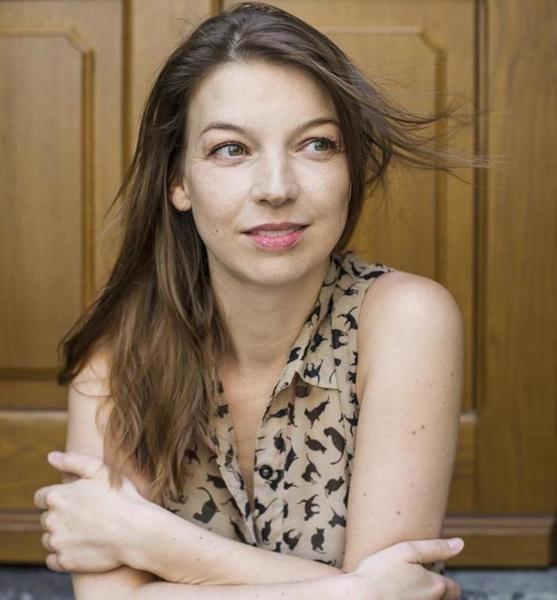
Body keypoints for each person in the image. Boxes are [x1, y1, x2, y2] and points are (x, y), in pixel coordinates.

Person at [33, 2, 484, 598]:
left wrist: (152, 540)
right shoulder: (118, 354)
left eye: (316, 144)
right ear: (178, 181)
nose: (276, 188)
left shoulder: (406, 321)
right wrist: (352, 591)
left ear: (350, 168)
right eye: (231, 149)